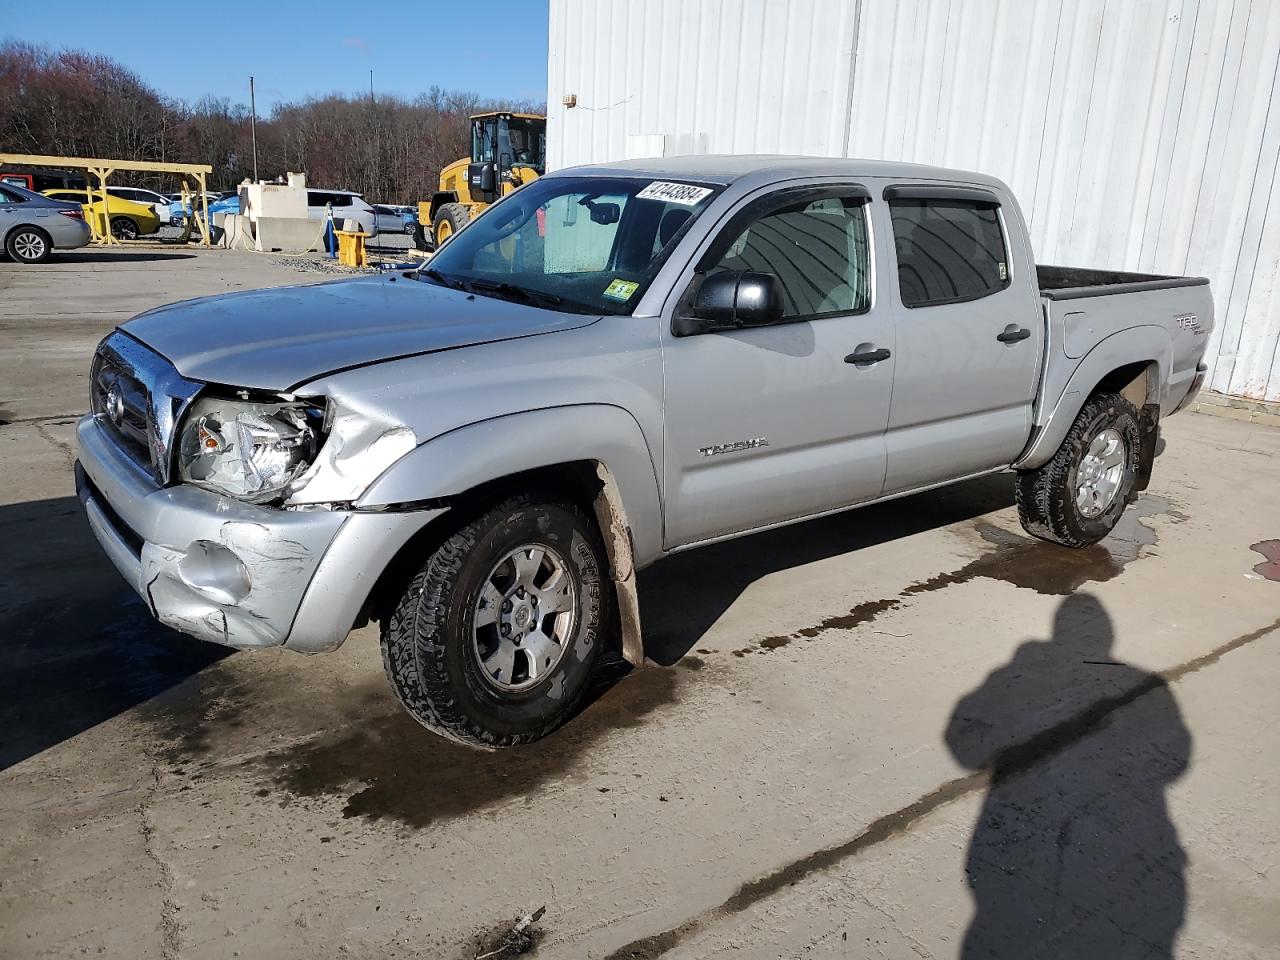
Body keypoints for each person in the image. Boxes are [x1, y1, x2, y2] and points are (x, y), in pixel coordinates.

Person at [945, 594, 1190, 958]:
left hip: (1013, 851)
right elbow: (1176, 759)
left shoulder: (1017, 671)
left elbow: (962, 744)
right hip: (1122, 851)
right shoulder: (1142, 682)